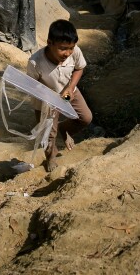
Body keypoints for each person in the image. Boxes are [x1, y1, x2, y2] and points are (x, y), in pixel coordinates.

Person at [26, 19, 93, 172]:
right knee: (48, 133)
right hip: (45, 100)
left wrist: (71, 87)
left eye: (71, 48)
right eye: (63, 49)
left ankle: (64, 129)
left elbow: (79, 68)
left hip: (69, 92)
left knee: (86, 118)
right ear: (49, 42)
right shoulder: (35, 62)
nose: (67, 53)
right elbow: (31, 85)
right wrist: (48, 98)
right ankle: (50, 158)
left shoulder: (75, 52)